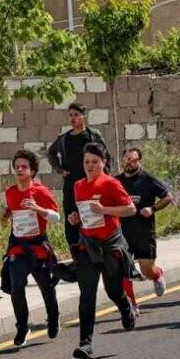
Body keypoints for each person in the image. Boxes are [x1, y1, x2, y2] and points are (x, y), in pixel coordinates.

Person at [70, 143, 136, 359]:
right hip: (88, 246)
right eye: (87, 161)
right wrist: (76, 218)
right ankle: (85, 344)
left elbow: (130, 209)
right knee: (87, 295)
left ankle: (125, 306)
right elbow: (84, 214)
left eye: (94, 162)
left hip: (110, 246)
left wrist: (104, 210)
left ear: (103, 163)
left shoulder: (111, 183)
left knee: (113, 290)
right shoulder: (78, 185)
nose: (90, 165)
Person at [2, 150, 61, 347]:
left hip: (38, 246)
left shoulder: (41, 191)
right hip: (18, 247)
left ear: (32, 170)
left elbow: (56, 218)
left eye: (23, 167)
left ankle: (53, 318)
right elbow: (10, 215)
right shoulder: (10, 192)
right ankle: (22, 326)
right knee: (16, 286)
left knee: (46, 286)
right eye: (17, 166)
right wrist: (5, 217)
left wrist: (38, 209)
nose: (19, 169)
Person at [116, 147, 171, 315]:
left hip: (144, 232)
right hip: (122, 234)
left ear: (139, 161)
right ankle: (132, 305)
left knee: (146, 270)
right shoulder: (116, 181)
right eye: (126, 160)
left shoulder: (147, 179)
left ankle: (157, 275)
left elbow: (168, 197)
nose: (129, 163)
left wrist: (152, 209)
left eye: (133, 160)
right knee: (123, 270)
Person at [46, 103, 108, 251]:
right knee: (71, 219)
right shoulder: (64, 139)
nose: (72, 118)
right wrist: (60, 170)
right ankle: (76, 253)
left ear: (83, 116)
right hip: (72, 186)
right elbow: (51, 153)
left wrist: (104, 177)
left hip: (92, 185)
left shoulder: (93, 135)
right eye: (70, 115)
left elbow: (106, 156)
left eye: (76, 115)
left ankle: (96, 249)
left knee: (92, 216)